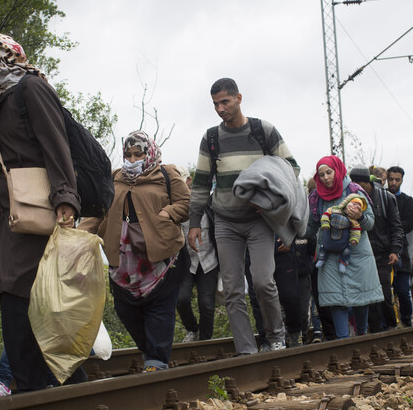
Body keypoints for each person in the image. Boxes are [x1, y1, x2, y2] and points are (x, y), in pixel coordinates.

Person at [0, 32, 81, 392]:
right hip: (15, 214)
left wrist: (66, 196)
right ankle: (66, 383)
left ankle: (34, 387)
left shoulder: (30, 88)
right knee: (40, 299)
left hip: (41, 208)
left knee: (15, 292)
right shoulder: (5, 98)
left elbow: (55, 144)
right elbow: (16, 158)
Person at [188, 78, 300, 354]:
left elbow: (291, 169)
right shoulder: (211, 138)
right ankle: (246, 350)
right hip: (225, 221)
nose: (220, 109)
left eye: (225, 102)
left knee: (263, 281)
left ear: (239, 98)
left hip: (260, 222)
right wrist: (194, 224)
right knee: (233, 290)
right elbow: (201, 183)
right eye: (215, 104)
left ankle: (276, 336)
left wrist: (267, 199)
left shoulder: (263, 131)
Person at [81, 131, 190, 371]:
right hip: (123, 258)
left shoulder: (166, 173)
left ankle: (156, 360)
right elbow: (97, 212)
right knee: (125, 309)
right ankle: (149, 350)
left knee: (161, 308)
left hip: (162, 256)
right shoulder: (113, 178)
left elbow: (186, 203)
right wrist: (79, 235)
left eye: (137, 154)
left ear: (148, 153)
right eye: (128, 155)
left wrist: (167, 213)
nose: (132, 159)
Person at [307, 157, 382, 339]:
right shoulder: (316, 197)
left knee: (361, 297)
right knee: (335, 299)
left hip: (357, 252)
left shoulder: (355, 191)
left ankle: (362, 334)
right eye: (321, 174)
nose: (325, 178)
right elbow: (311, 225)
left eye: (329, 172)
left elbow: (370, 223)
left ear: (338, 171)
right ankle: (343, 340)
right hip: (329, 253)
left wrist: (360, 216)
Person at [349, 165, 404, 333]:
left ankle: (392, 327)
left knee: (385, 293)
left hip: (383, 254)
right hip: (363, 254)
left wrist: (395, 250)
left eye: (359, 183)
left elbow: (396, 226)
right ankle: (375, 332)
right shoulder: (353, 200)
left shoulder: (386, 198)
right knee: (368, 297)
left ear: (365, 182)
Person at [175, 167, 218, 342]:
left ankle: (205, 341)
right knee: (181, 299)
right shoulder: (176, 207)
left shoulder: (209, 204)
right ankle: (192, 329)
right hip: (187, 263)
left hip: (209, 262)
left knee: (206, 304)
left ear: (190, 182)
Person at [386, 166, 413, 327]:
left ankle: (407, 320)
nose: (393, 182)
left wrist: (393, 226)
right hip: (384, 249)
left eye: (397, 179)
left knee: (403, 291)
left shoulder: (407, 201)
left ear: (402, 180)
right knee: (386, 291)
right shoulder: (382, 198)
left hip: (401, 250)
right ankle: (390, 323)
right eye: (391, 179)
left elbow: (409, 224)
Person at [315, 194, 367, 272]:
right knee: (323, 247)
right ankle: (322, 259)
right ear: (347, 202)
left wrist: (355, 239)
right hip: (329, 238)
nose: (355, 207)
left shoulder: (353, 220)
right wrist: (325, 223)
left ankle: (343, 263)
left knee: (347, 251)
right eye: (354, 203)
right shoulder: (333, 209)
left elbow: (356, 229)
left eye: (358, 206)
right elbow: (325, 215)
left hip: (343, 243)